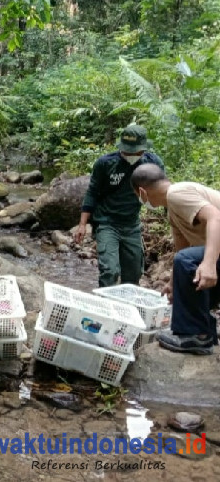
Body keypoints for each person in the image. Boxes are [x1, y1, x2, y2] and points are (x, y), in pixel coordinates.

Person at [130, 163, 220, 355]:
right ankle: (205, 330)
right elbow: (183, 247)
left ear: (142, 192)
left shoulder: (177, 193)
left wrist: (209, 263)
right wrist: (173, 284)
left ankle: (196, 335)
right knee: (189, 265)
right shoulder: (173, 209)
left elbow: (215, 217)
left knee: (190, 261)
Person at [74, 124, 165, 287]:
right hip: (107, 223)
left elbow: (163, 190)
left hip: (132, 225)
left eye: (135, 152)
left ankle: (127, 303)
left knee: (133, 275)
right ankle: (104, 302)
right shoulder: (105, 163)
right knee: (110, 271)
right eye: (127, 151)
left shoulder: (153, 164)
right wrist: (82, 224)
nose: (131, 155)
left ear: (143, 149)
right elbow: (92, 192)